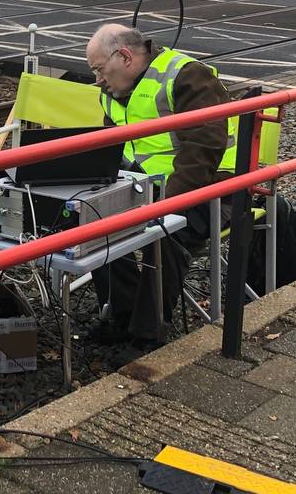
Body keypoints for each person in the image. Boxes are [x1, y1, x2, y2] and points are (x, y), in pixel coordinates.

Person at [85, 23, 234, 347]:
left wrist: (164, 205)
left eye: (99, 69)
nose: (97, 79)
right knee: (93, 222)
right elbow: (114, 149)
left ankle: (146, 335)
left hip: (213, 189)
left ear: (124, 57)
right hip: (144, 188)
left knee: (164, 234)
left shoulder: (187, 77)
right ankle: (122, 316)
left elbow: (203, 151)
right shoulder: (112, 91)